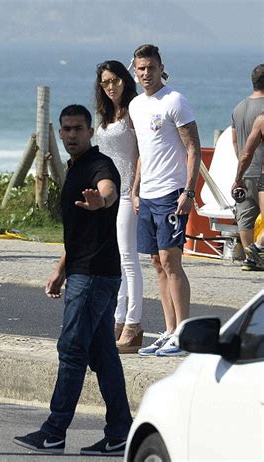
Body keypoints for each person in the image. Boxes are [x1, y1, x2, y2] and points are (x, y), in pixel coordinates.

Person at [13, 105, 132, 456]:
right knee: (102, 353)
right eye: (65, 129)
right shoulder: (74, 168)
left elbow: (108, 189)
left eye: (77, 128)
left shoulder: (99, 165)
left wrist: (103, 201)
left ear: (90, 130)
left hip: (94, 276)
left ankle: (54, 432)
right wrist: (60, 270)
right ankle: (120, 433)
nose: (70, 135)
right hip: (87, 271)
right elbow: (77, 233)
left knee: (71, 350)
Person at [129, 44, 202, 357]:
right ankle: (169, 329)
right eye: (141, 68)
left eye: (151, 67)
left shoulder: (175, 101)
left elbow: (193, 149)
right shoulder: (135, 105)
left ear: (161, 68)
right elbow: (145, 152)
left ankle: (183, 333)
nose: (146, 73)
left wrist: (188, 190)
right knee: (156, 262)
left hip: (172, 193)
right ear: (135, 70)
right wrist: (135, 189)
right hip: (147, 194)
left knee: (171, 261)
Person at [95, 60, 144, 353]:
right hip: (108, 194)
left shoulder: (134, 110)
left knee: (129, 259)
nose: (111, 87)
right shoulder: (105, 114)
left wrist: (136, 189)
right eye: (105, 83)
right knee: (115, 259)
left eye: (115, 80)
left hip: (128, 191)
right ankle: (118, 318)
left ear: (125, 80)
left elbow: (142, 153)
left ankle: (134, 323)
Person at [231, 64, 264, 271]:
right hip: (260, 167)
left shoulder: (239, 107)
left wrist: (239, 170)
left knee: (245, 216)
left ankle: (250, 259)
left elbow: (235, 142)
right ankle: (257, 251)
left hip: (245, 169)